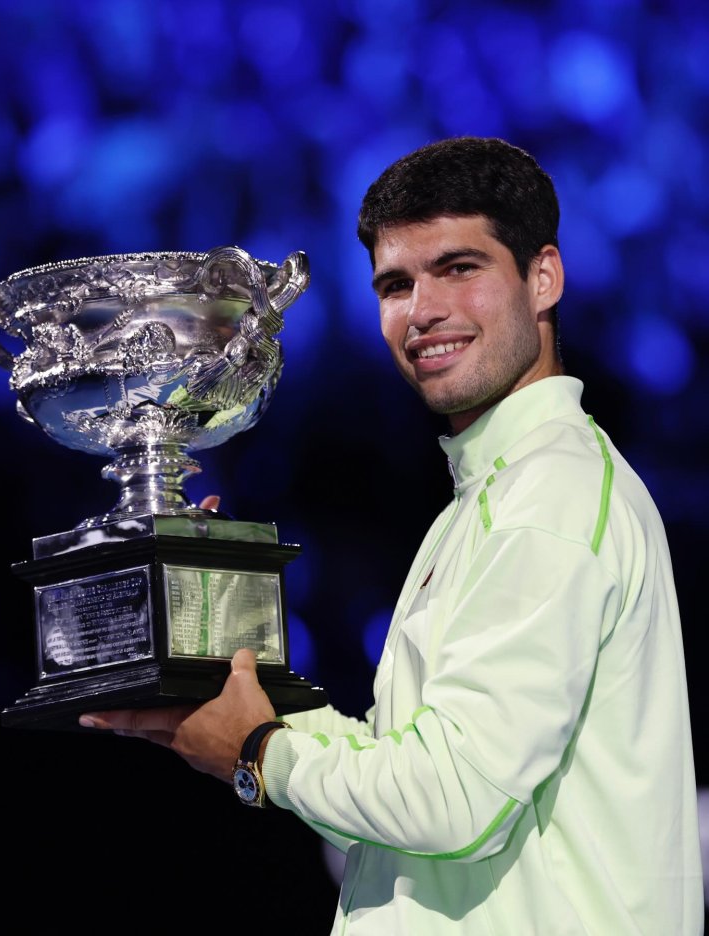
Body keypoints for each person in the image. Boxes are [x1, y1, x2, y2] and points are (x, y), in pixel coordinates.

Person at [78, 137, 704, 934]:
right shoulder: (487, 499)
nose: (423, 310)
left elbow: (455, 803)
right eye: (396, 284)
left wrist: (260, 752)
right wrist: (233, 675)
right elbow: (401, 801)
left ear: (543, 277)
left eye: (460, 268)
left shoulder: (550, 497)